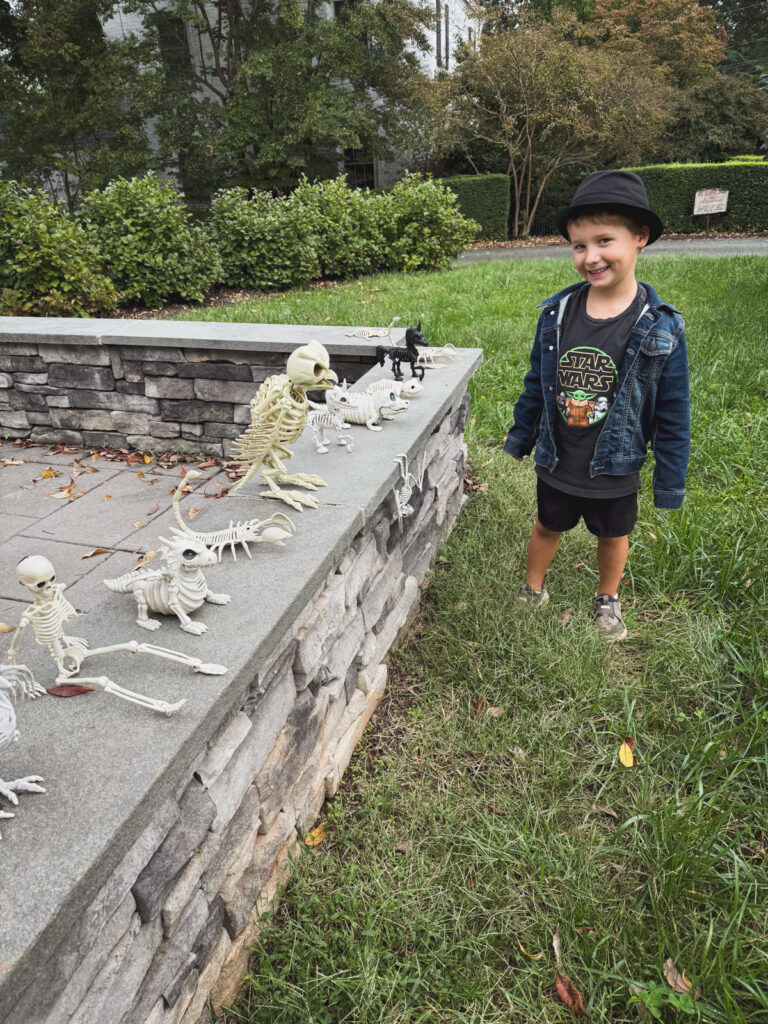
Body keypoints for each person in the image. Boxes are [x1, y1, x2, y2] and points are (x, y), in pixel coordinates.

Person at [503, 170, 690, 640]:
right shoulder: (558, 314)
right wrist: (521, 436)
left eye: (604, 241)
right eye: (579, 245)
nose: (590, 257)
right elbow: (536, 383)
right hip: (559, 458)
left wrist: (670, 480)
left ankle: (607, 599)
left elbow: (672, 411)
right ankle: (532, 588)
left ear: (640, 237)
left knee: (613, 535)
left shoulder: (661, 327)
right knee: (547, 525)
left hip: (616, 465)